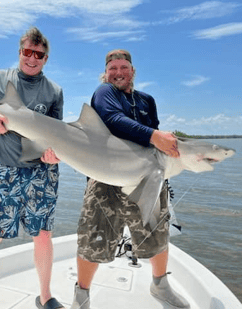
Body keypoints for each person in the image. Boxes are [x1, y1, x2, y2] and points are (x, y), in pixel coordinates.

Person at [70, 49, 190, 309]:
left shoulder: (147, 100)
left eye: (123, 67)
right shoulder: (104, 93)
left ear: (133, 71)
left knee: (157, 233)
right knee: (93, 238)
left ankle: (160, 284)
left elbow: (156, 142)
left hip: (146, 177)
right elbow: (113, 119)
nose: (118, 73)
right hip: (106, 178)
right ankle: (82, 294)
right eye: (112, 68)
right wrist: (154, 135)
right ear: (106, 73)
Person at [0, 27, 65, 309]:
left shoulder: (54, 91)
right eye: (27, 52)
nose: (32, 58)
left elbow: (56, 133)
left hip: (41, 173)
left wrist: (54, 155)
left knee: (43, 235)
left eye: (39, 54)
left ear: (46, 58)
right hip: (1, 169)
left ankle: (45, 297)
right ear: (20, 52)